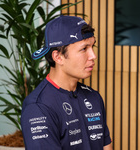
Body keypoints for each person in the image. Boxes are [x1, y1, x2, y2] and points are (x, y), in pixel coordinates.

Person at [21, 15, 113, 150]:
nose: (93, 56)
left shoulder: (94, 97)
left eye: (92, 46)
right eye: (84, 49)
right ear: (58, 57)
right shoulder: (38, 108)